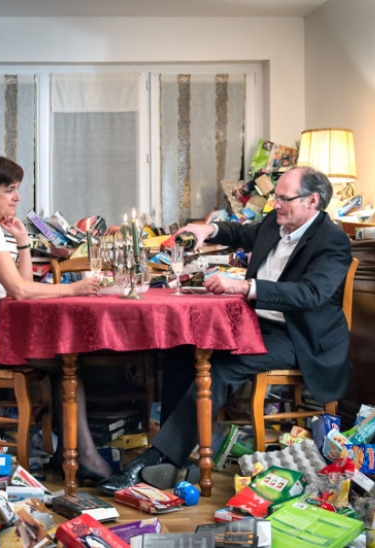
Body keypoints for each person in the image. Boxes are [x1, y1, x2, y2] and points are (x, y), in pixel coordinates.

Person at [98, 166, 353, 495]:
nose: (275, 204)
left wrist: (245, 286)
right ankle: (177, 456)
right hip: (257, 325)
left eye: (283, 199)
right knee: (181, 349)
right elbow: (239, 233)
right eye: (275, 198)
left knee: (220, 369)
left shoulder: (332, 241)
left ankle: (156, 457)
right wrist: (207, 229)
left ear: (312, 201)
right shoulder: (277, 225)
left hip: (300, 337)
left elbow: (311, 294)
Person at [0, 154, 112, 483]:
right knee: (67, 362)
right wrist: (73, 291)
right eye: (10, 190)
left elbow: (23, 285)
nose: (17, 197)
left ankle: (73, 455)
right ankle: (82, 457)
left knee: (66, 362)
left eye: (18, 189)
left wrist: (22, 241)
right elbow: (19, 290)